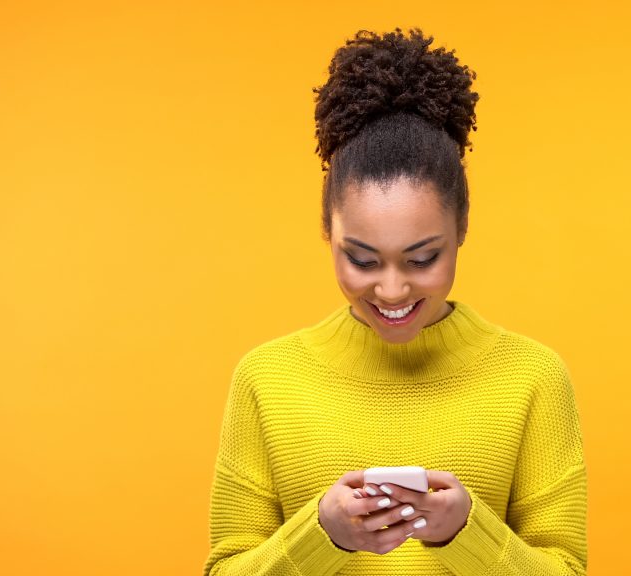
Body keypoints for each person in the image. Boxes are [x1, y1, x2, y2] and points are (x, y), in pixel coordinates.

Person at [203, 27, 587, 576]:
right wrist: (323, 536)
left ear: (461, 230)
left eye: (421, 258)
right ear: (325, 233)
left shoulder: (532, 378)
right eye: (361, 260)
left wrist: (465, 533)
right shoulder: (266, 380)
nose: (390, 291)